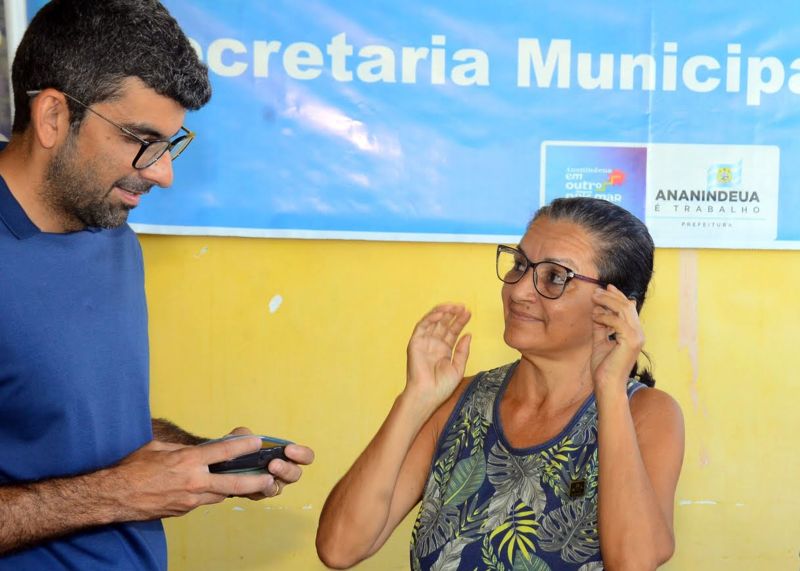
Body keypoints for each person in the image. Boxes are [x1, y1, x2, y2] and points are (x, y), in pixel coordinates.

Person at [0, 1, 314, 569]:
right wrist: (121, 493)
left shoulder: (112, 232)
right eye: (140, 138)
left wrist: (198, 458)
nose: (163, 172)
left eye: (172, 143)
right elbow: (111, 482)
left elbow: (71, 428)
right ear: (52, 117)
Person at [317, 197, 685, 570]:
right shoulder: (457, 402)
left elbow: (634, 562)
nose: (519, 290)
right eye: (520, 265)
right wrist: (414, 400)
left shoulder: (646, 413)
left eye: (555, 277)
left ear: (616, 308)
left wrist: (609, 389)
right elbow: (340, 548)